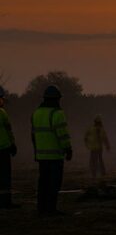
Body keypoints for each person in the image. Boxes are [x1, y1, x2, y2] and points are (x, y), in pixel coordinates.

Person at [31, 85, 72, 216]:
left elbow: (33, 136)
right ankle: (51, 209)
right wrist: (68, 149)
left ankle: (41, 208)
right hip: (55, 157)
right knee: (54, 184)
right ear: (56, 99)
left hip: (42, 157)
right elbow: (62, 134)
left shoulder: (36, 113)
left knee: (43, 184)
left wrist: (36, 152)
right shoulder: (57, 114)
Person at [0, 86, 18, 208]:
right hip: (3, 150)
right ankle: (5, 202)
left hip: (5, 148)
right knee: (5, 177)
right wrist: (12, 144)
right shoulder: (2, 113)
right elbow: (9, 131)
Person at [84, 115, 111, 180]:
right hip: (98, 148)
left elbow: (85, 137)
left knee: (94, 160)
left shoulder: (91, 129)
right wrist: (107, 146)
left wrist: (87, 144)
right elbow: (105, 139)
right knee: (99, 160)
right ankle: (101, 172)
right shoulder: (101, 130)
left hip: (94, 148)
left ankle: (95, 173)